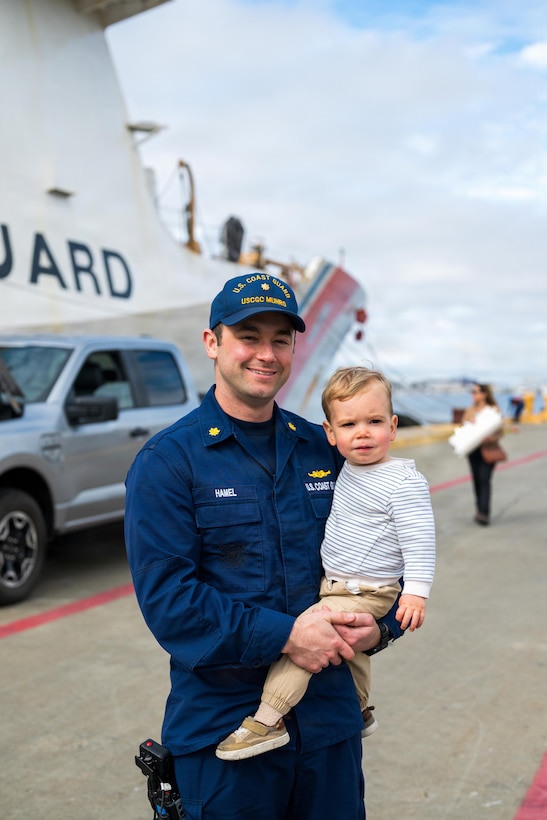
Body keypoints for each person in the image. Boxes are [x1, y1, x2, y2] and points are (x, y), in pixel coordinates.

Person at [124, 274, 404, 820]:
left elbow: (383, 551)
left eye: (280, 339)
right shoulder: (169, 462)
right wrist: (288, 635)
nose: (266, 353)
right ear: (213, 343)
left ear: (295, 348)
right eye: (248, 336)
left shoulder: (323, 450)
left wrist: (383, 626)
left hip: (329, 721)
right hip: (225, 730)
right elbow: (169, 602)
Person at [216, 366, 436, 761]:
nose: (363, 433)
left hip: (366, 589)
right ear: (331, 434)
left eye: (374, 421)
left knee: (305, 641)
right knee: (353, 649)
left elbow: (420, 541)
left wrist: (416, 594)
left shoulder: (403, 482)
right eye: (349, 424)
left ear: (394, 425)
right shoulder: (350, 467)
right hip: (339, 583)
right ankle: (361, 709)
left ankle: (267, 720)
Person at [462, 383, 503, 526]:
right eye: (472, 392)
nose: (473, 395)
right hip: (473, 450)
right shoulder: (470, 410)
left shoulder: (493, 410)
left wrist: (490, 438)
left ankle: (484, 513)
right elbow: (462, 428)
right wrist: (470, 423)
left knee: (484, 479)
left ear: (484, 394)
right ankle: (479, 510)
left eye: (476, 392)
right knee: (477, 481)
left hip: (488, 449)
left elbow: (500, 432)